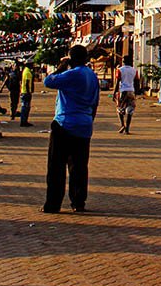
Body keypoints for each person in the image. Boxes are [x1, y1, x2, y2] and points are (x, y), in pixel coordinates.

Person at [41, 45, 99, 214]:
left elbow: (48, 81)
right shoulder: (92, 76)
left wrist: (61, 66)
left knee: (56, 167)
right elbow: (95, 103)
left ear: (71, 59)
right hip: (84, 124)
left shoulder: (72, 74)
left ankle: (53, 204)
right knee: (79, 167)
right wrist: (89, 120)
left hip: (65, 123)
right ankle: (78, 201)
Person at [113, 55, 140, 135]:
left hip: (122, 91)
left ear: (123, 61)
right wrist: (137, 92)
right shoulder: (134, 71)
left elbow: (117, 83)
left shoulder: (120, 70)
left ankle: (122, 125)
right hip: (131, 91)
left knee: (120, 109)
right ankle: (127, 128)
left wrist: (114, 93)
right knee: (130, 111)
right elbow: (137, 82)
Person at [19, 60, 35, 127]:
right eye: (31, 64)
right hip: (26, 92)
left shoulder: (25, 70)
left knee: (24, 107)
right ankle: (23, 122)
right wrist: (29, 92)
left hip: (24, 91)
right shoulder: (28, 72)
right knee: (25, 108)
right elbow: (27, 83)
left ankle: (24, 121)